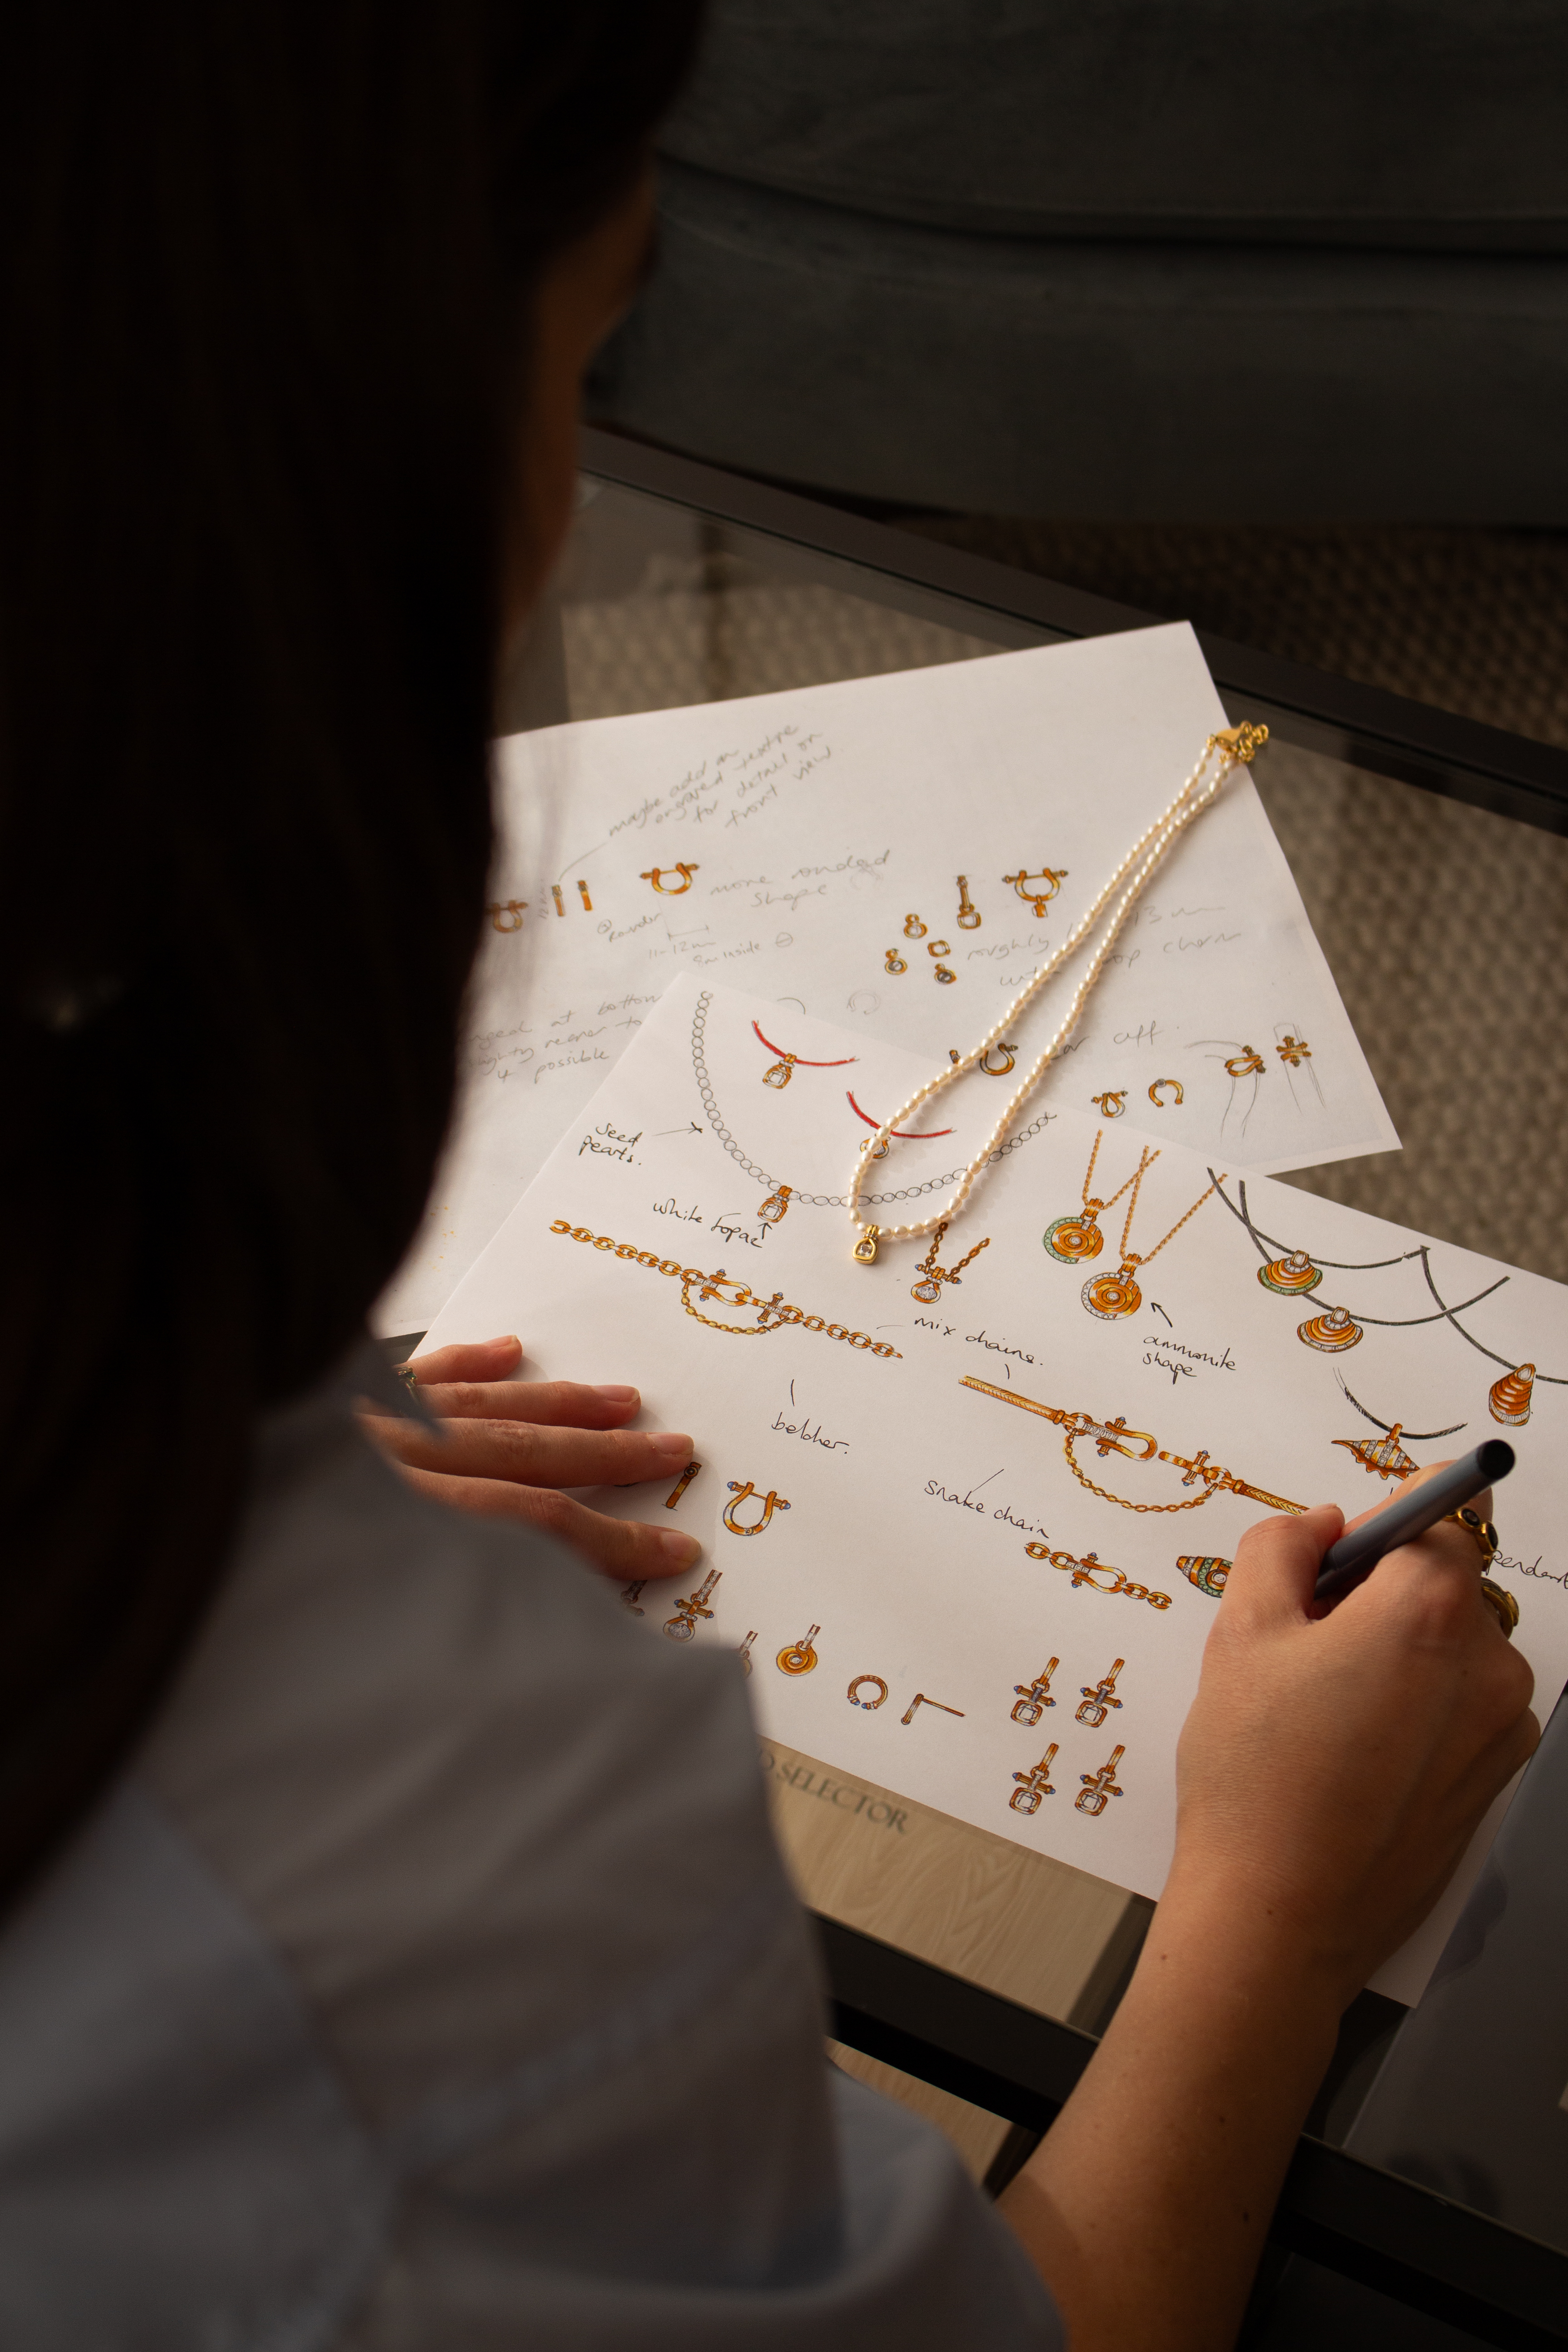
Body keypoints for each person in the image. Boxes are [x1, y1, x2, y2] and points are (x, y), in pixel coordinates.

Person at [0, 6, 1537, 2348]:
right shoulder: (425, 1868)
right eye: (591, 358)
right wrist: (1272, 1916)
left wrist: (188, 1492)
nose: (578, 523)